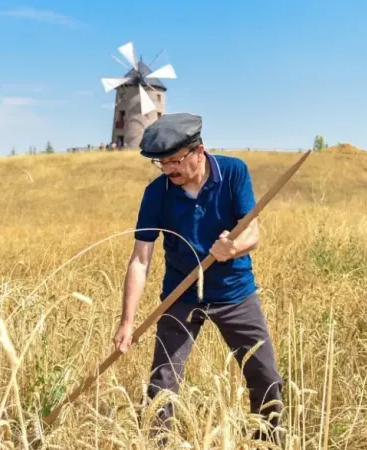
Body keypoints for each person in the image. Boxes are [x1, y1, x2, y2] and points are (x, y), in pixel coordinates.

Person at [112, 113, 283, 443]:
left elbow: (253, 232)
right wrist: (127, 321)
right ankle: (156, 444)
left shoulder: (233, 172)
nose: (169, 170)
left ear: (199, 151)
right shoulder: (156, 193)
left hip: (235, 293)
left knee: (265, 375)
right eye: (161, 164)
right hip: (182, 294)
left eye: (175, 161)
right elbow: (140, 259)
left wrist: (232, 248)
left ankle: (268, 442)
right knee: (162, 384)